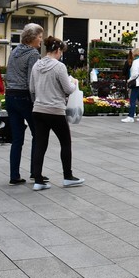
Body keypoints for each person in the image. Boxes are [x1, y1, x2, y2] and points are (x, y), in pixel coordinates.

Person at [29, 36, 84, 190]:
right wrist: (74, 83)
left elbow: (32, 89)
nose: (61, 55)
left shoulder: (36, 65)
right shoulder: (59, 67)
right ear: (58, 50)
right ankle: (68, 176)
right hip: (55, 110)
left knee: (40, 144)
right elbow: (67, 89)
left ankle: (38, 180)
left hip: (38, 109)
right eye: (61, 52)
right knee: (65, 142)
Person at [5, 23, 43, 185]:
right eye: (40, 37)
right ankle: (35, 172)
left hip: (10, 96)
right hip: (24, 97)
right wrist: (37, 102)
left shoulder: (14, 51)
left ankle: (14, 175)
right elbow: (32, 81)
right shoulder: (33, 54)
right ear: (33, 38)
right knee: (38, 134)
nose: (41, 40)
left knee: (17, 139)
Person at [122, 48, 139, 122]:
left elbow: (134, 74)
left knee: (132, 100)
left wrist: (129, 80)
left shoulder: (136, 62)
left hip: (136, 83)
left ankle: (130, 116)